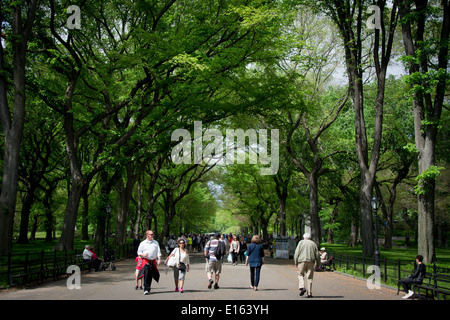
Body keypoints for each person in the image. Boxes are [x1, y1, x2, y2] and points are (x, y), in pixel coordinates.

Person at [294, 233, 320, 298]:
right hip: (311, 261)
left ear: (303, 237)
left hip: (301, 261)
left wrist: (296, 262)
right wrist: (318, 264)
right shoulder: (313, 244)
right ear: (310, 238)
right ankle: (309, 293)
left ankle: (302, 287)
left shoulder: (301, 243)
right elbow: (317, 255)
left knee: (300, 274)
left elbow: (296, 253)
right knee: (309, 277)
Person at [137, 230, 161, 295]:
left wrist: (159, 259)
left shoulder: (156, 243)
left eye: (153, 234)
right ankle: (146, 289)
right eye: (151, 234)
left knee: (151, 275)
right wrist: (143, 255)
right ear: (147, 235)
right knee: (146, 274)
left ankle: (148, 287)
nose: (152, 235)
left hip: (153, 261)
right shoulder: (143, 243)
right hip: (146, 261)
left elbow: (158, 252)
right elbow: (139, 252)